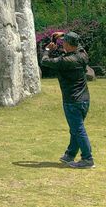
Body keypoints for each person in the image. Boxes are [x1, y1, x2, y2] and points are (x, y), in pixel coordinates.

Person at [40, 31, 95, 169]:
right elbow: (79, 44)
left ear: (68, 44)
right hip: (84, 99)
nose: (62, 43)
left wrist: (47, 50)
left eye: (64, 41)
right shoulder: (82, 55)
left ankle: (87, 158)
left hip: (72, 100)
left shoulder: (66, 61)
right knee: (75, 128)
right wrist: (64, 34)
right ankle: (70, 154)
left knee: (78, 129)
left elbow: (45, 61)